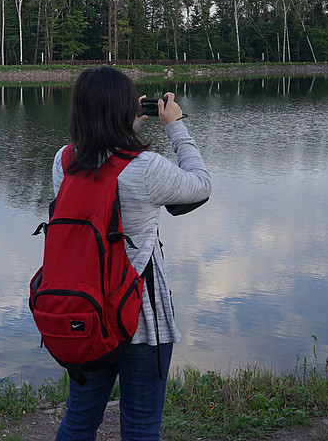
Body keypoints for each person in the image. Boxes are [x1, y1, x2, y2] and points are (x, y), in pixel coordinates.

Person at [53, 65, 211, 441]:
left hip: (86, 313)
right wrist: (175, 125)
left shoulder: (63, 162)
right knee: (140, 427)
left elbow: (105, 160)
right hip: (141, 319)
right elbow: (200, 185)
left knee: (79, 419)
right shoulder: (145, 168)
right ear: (126, 110)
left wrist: (126, 123)